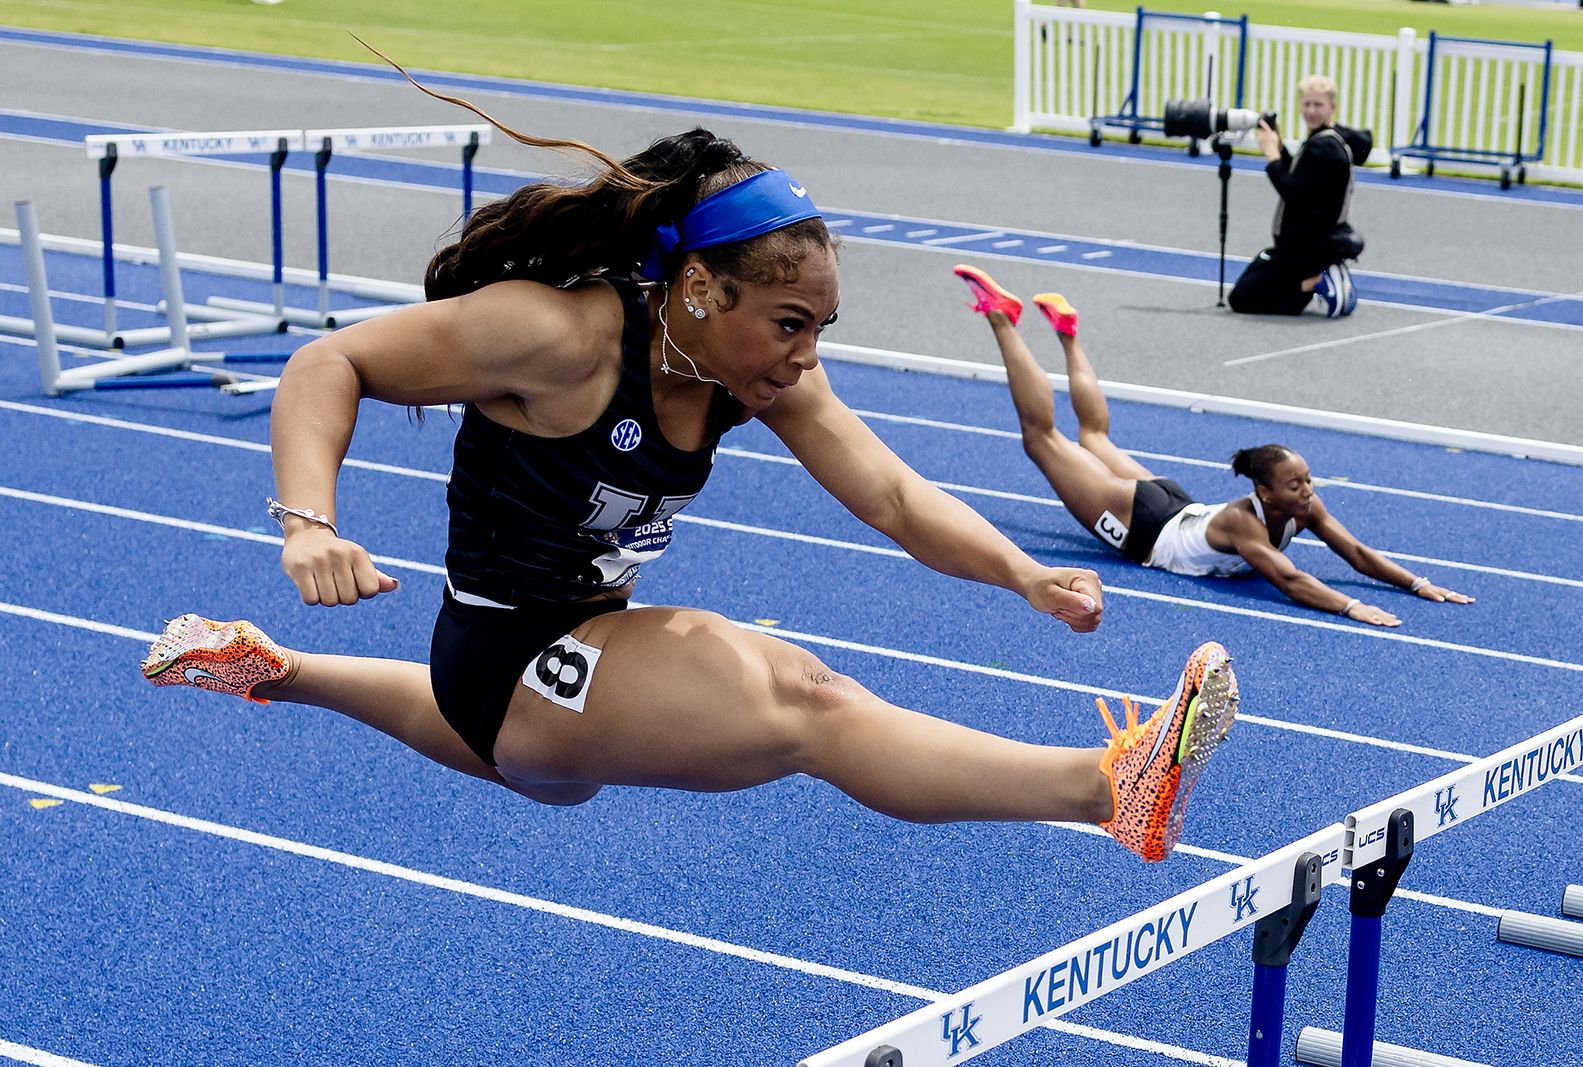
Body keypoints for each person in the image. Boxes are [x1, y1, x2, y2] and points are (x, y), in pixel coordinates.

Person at [137, 110, 1240, 863]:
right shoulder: (558, 336)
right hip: (512, 661)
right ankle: (1109, 788)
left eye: (822, 327)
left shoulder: (751, 372)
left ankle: (275, 670)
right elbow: (330, 361)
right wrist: (307, 523)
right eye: (790, 322)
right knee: (807, 701)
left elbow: (895, 498)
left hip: (566, 669)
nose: (806, 356)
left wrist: (1022, 575)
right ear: (701, 286)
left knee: (542, 762)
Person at [953, 265, 1475, 627]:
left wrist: (1415, 583)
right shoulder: (1243, 522)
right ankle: (1001, 317)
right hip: (1146, 528)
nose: (1308, 491)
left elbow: (1357, 552)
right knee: (1042, 439)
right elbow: (1289, 580)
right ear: (1265, 494)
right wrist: (1348, 607)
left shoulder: (1302, 508)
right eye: (1295, 485)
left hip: (1172, 507)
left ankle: (1068, 332)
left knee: (1093, 438)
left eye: (1308, 480)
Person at [1227, 75, 1372, 318]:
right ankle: (1315, 279)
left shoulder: (1323, 148)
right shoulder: (1329, 139)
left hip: (1304, 246)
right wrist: (1280, 145)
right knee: (1256, 278)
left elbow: (1292, 191)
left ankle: (1317, 281)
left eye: (1318, 105)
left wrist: (1272, 155)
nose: (1311, 111)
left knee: (1242, 298)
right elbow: (1302, 178)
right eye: (1307, 104)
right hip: (1308, 242)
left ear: (1331, 107)